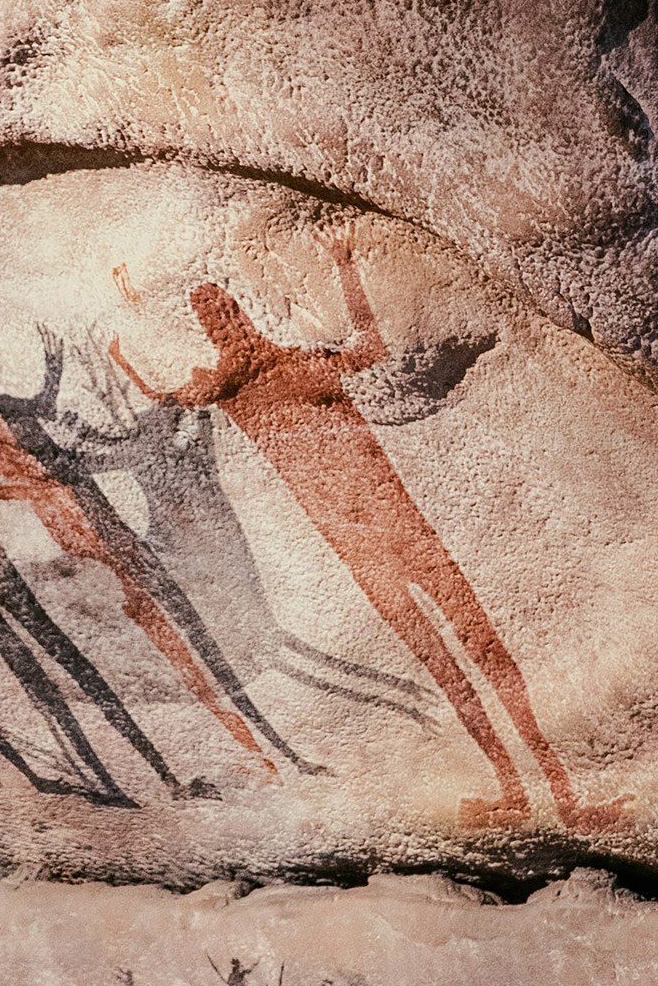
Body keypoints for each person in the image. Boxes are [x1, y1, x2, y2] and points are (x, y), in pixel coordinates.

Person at [112, 227, 631, 833]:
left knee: (476, 653)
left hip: (394, 531)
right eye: (215, 322)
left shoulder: (281, 374)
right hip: (372, 543)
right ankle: (521, 792)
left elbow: (367, 349)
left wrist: (345, 267)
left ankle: (556, 795)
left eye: (225, 315)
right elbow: (171, 393)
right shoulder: (245, 387)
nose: (225, 329)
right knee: (453, 664)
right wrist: (129, 349)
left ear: (239, 316)